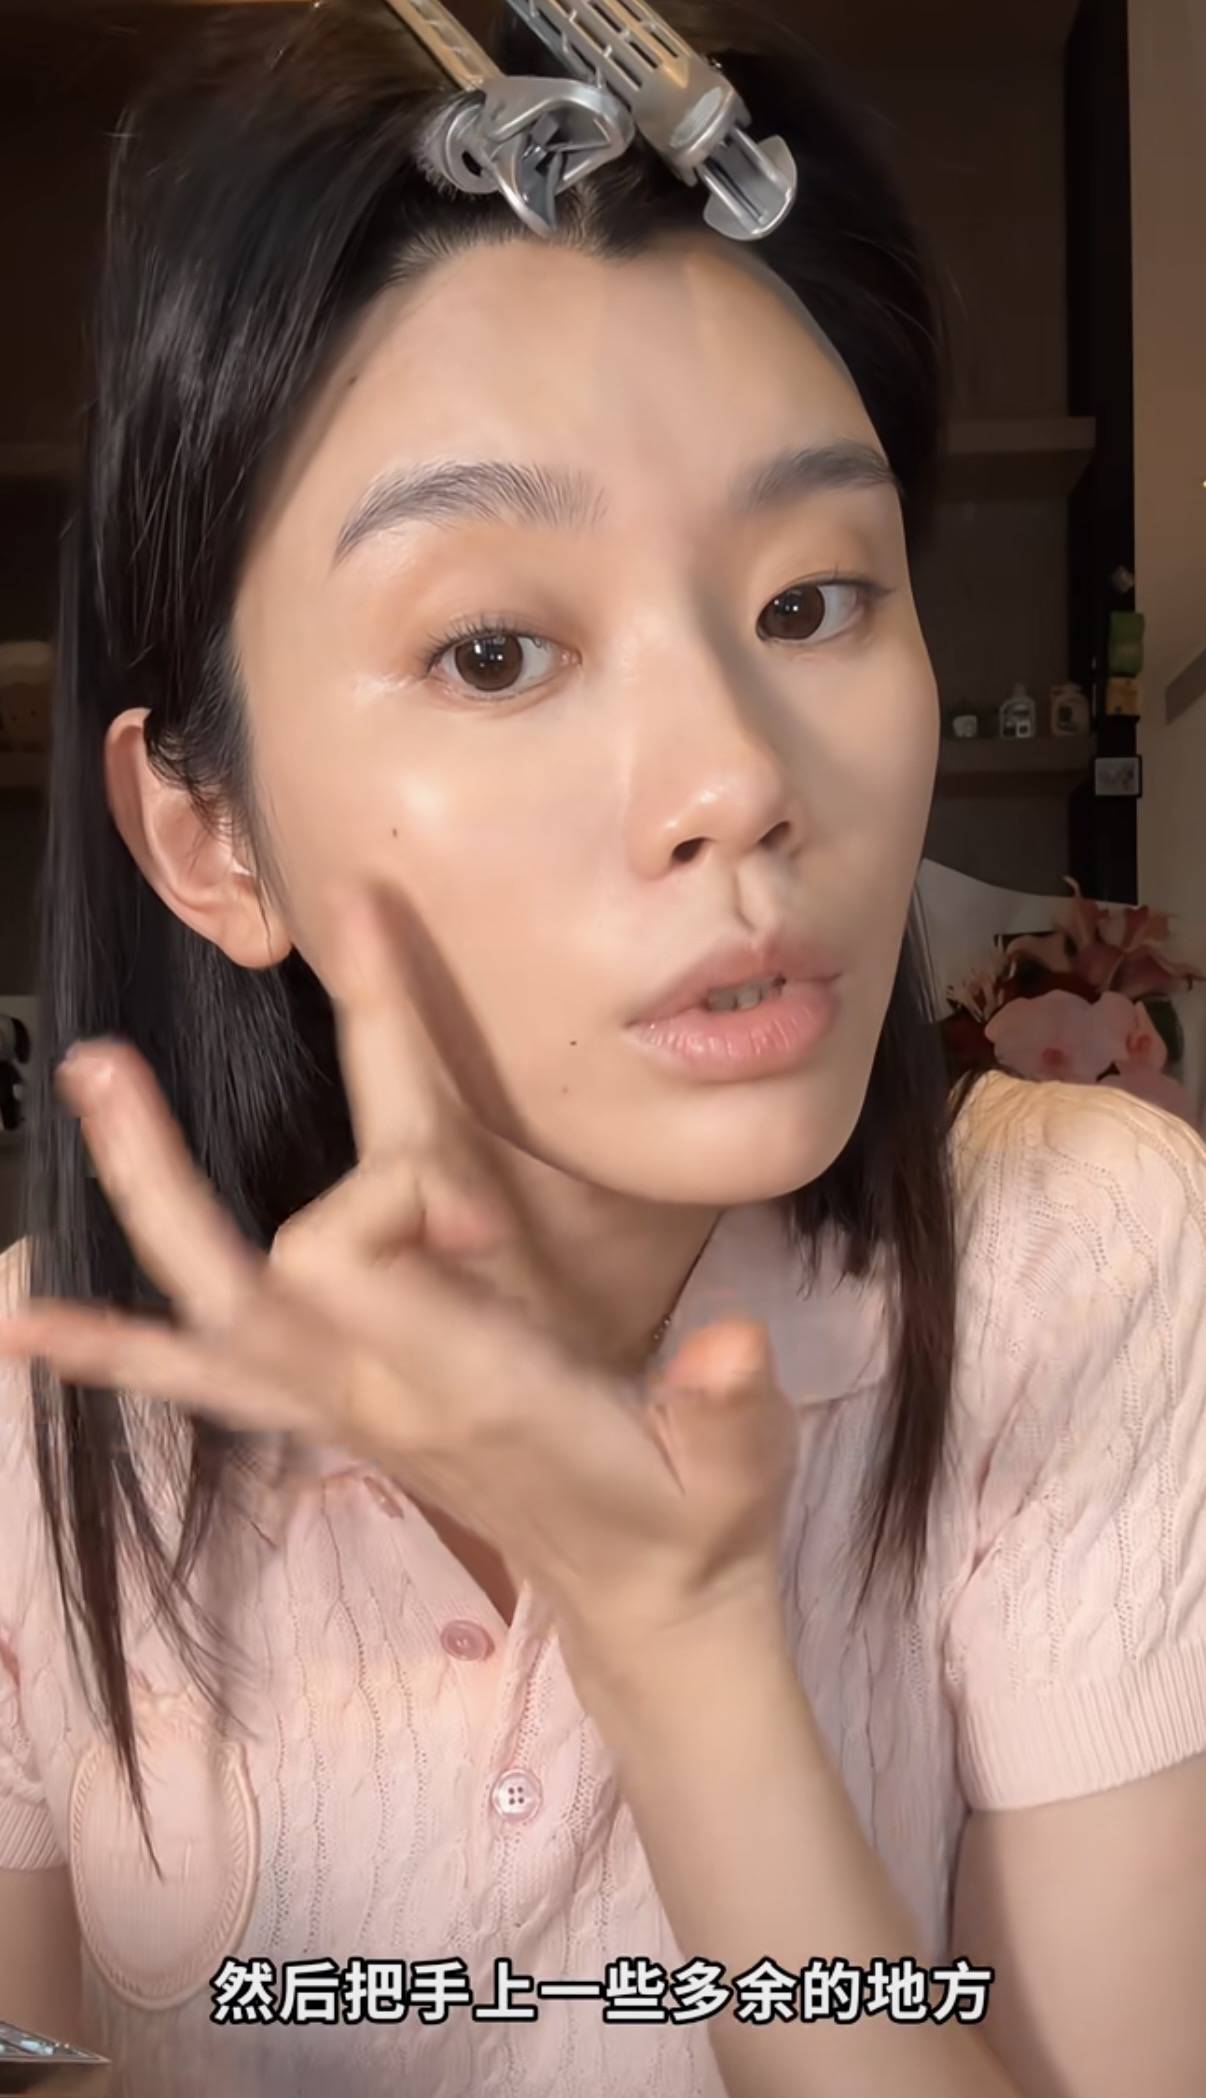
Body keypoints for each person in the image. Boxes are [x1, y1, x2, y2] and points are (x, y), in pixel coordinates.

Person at [0, 3, 1204, 2095]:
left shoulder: (1077, 1262)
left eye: (813, 599)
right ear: (210, 834)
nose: (739, 779)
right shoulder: (41, 1417)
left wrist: (676, 1638)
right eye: (495, 649)